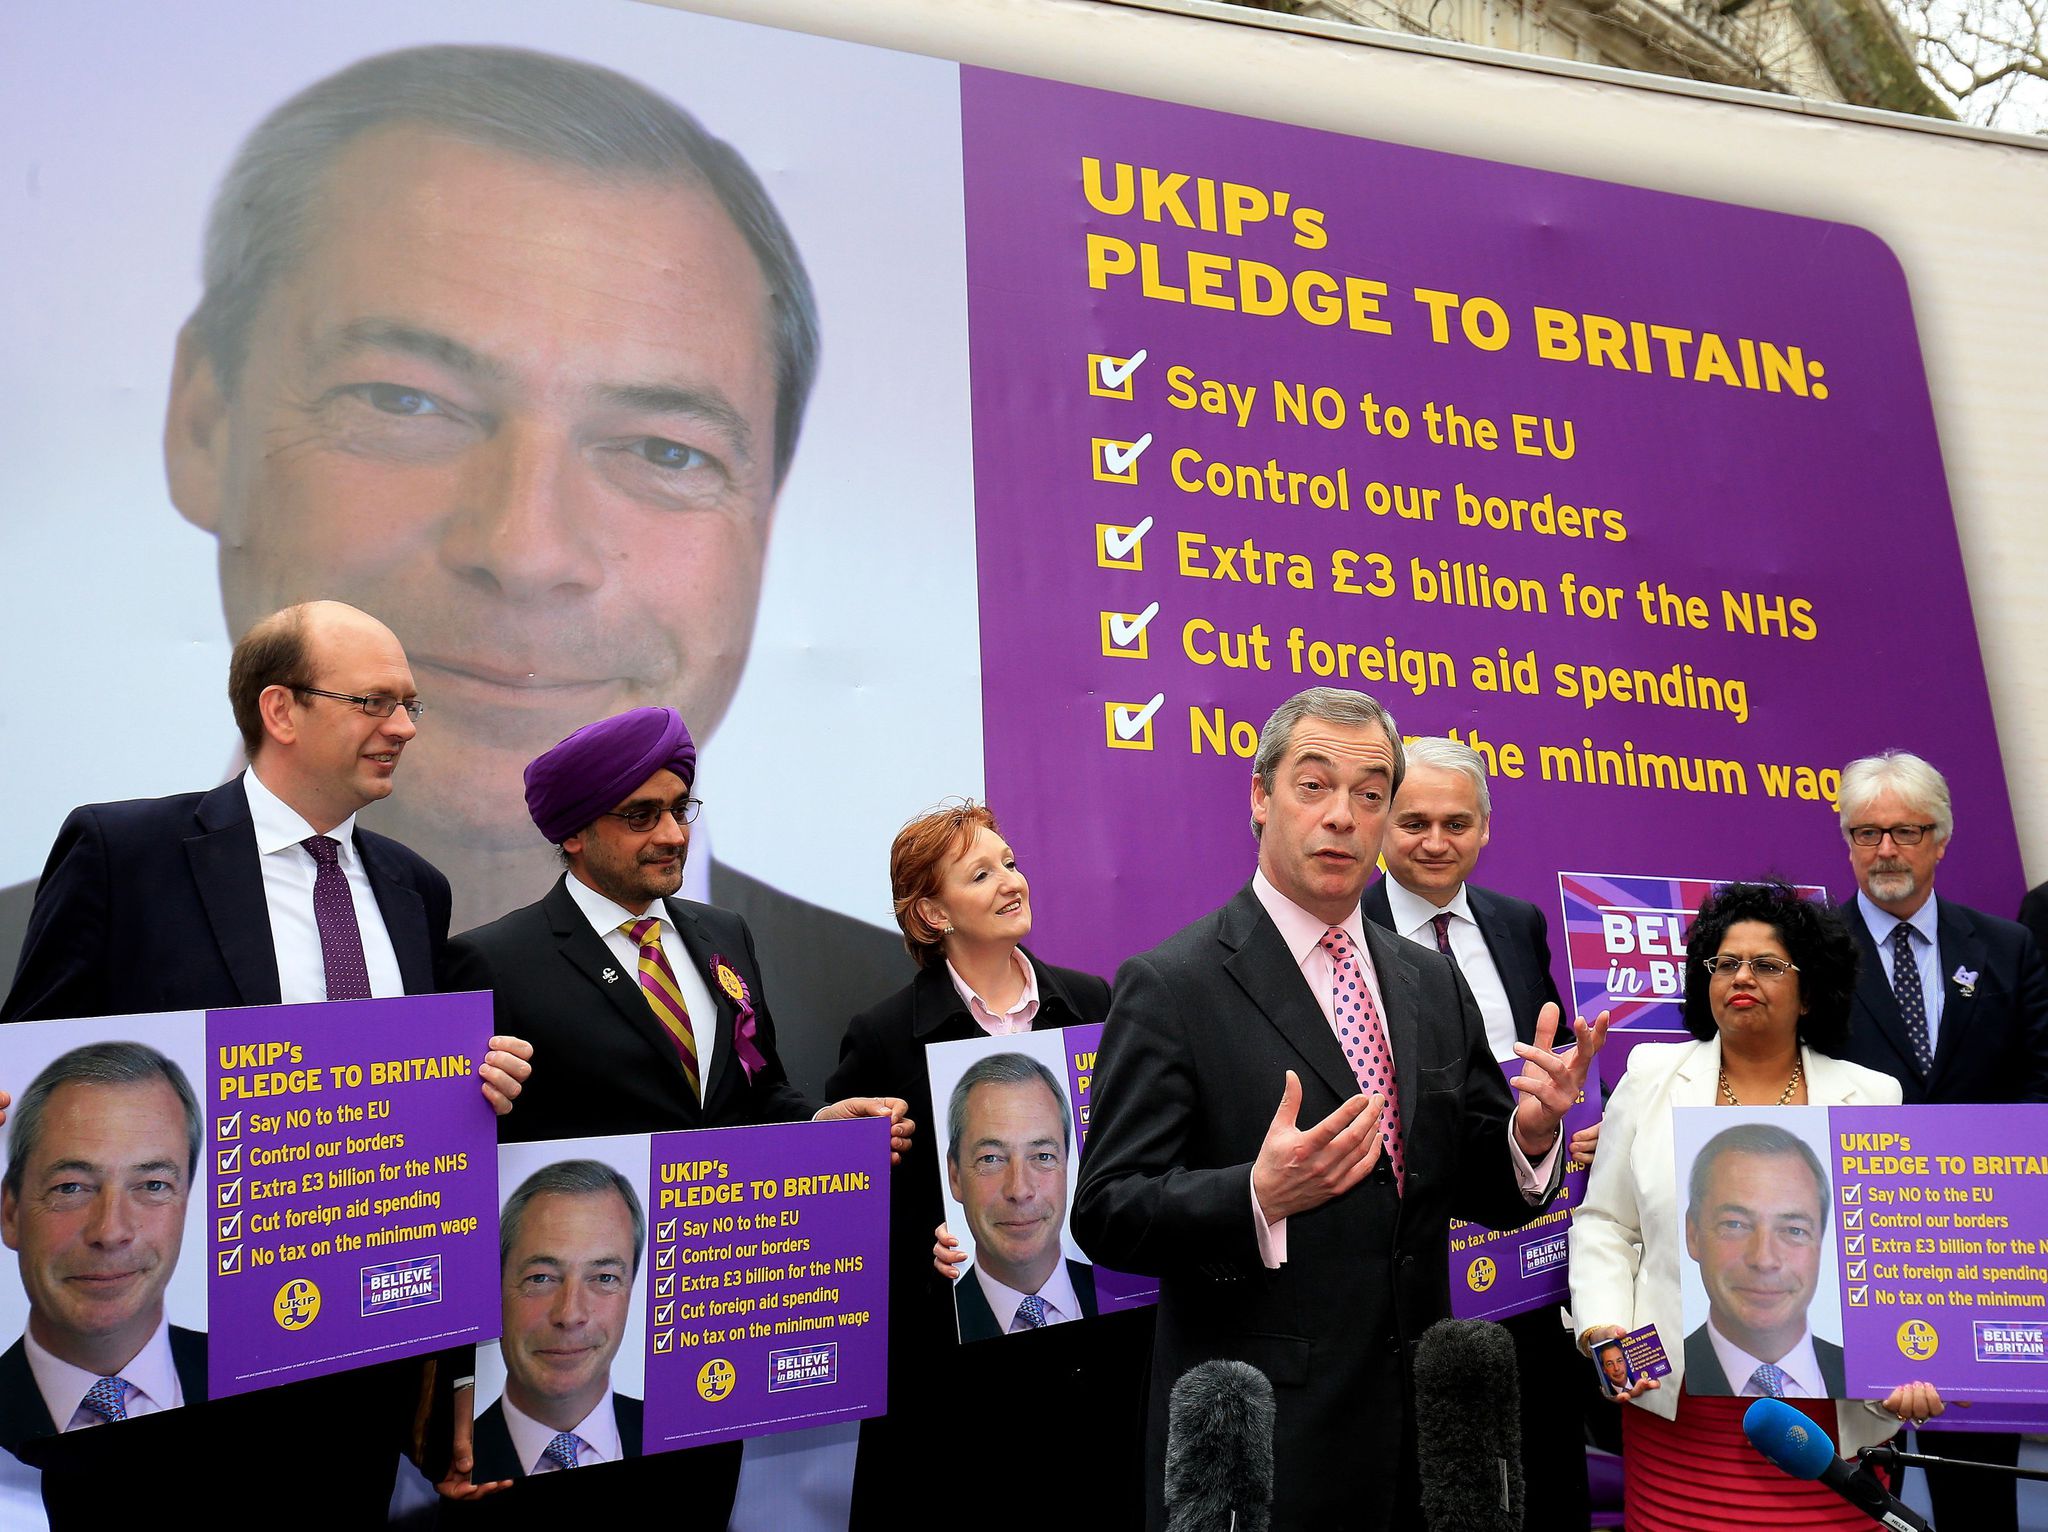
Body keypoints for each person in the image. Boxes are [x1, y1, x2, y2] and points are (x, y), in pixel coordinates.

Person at [0, 41, 909, 1095]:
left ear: (770, 506)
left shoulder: (871, 993)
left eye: (665, 450)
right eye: (402, 400)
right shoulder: (120, 873)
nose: (526, 553)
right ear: (205, 419)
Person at [0, 600, 531, 1526]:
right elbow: (36, 1065)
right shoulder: (127, 854)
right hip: (162, 1399)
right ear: (281, 710)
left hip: (351, 1379)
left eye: (411, 705)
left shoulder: (414, 888)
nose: (403, 727)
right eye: (375, 701)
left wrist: (479, 1089)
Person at [1073, 687, 1603, 1531]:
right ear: (1260, 797)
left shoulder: (1430, 979)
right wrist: (1256, 1195)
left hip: (1428, 1441)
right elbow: (1106, 1210)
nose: (1344, 818)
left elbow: (1464, 1179)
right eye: (1314, 786)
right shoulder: (1173, 984)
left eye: (1370, 794)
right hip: (1266, 1449)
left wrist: (1528, 1137)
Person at [440, 704, 907, 1520]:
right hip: (575, 1343)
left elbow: (758, 1092)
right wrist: (460, 1389)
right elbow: (464, 1180)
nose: (672, 834)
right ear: (574, 833)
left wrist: (815, 1129)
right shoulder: (494, 958)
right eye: (639, 815)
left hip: (716, 1322)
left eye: (679, 808)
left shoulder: (724, 934)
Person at [1570, 881, 1939, 1531]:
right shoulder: (1652, 1076)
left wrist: (1912, 1364)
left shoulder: (1873, 1097)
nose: (1742, 976)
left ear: (1809, 990)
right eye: (1725, 963)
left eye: (1767, 965)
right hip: (1679, 1419)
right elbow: (1607, 1223)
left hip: (1825, 1436)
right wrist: (1605, 1325)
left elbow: (1897, 1261)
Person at [825, 802, 1143, 1527]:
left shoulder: (1091, 1003)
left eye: (1010, 862)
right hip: (958, 1391)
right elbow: (850, 1223)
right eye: (981, 873)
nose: (1011, 882)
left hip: (1090, 1371)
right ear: (932, 914)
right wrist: (923, 1246)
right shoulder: (881, 1038)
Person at [1362, 734, 1597, 1528]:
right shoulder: (1343, 928)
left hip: (1519, 1246)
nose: (1435, 842)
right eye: (1414, 821)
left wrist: (1553, 1133)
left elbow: (1545, 1058)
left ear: (1487, 827)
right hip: (1405, 1253)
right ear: (1381, 824)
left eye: (1456, 823)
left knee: (1527, 1466)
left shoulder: (1514, 922)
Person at [1833, 750, 2048, 1528]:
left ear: (1942, 839)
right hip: (1854, 1243)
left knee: (1977, 1484)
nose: (1886, 850)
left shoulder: (2005, 946)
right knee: (1855, 1484)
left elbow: (2038, 1077)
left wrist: (2005, 1178)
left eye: (1906, 831)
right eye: (1867, 833)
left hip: (1978, 1248)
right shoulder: (1810, 953)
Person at [0, 1044, 206, 1452]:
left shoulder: (272, 1370)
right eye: (71, 1187)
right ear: (11, 1213)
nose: (110, 1231)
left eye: (152, 1186)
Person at [475, 1162, 647, 1482]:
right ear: (495, 1289)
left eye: (604, 1277)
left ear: (631, 1290)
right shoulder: (448, 1460)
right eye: (540, 1278)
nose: (569, 1315)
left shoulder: (691, 1435)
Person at [1679, 1123, 1845, 1397]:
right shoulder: (1666, 1376)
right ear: (1693, 1234)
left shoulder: (1875, 1376)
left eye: (1794, 1230)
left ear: (1821, 1240)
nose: (1764, 1259)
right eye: (1735, 1224)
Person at [944, 1053, 1095, 1340]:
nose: (1019, 1190)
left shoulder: (1131, 1294)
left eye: (1043, 1156)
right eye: (991, 1159)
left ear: (1068, 1165)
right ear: (955, 1176)